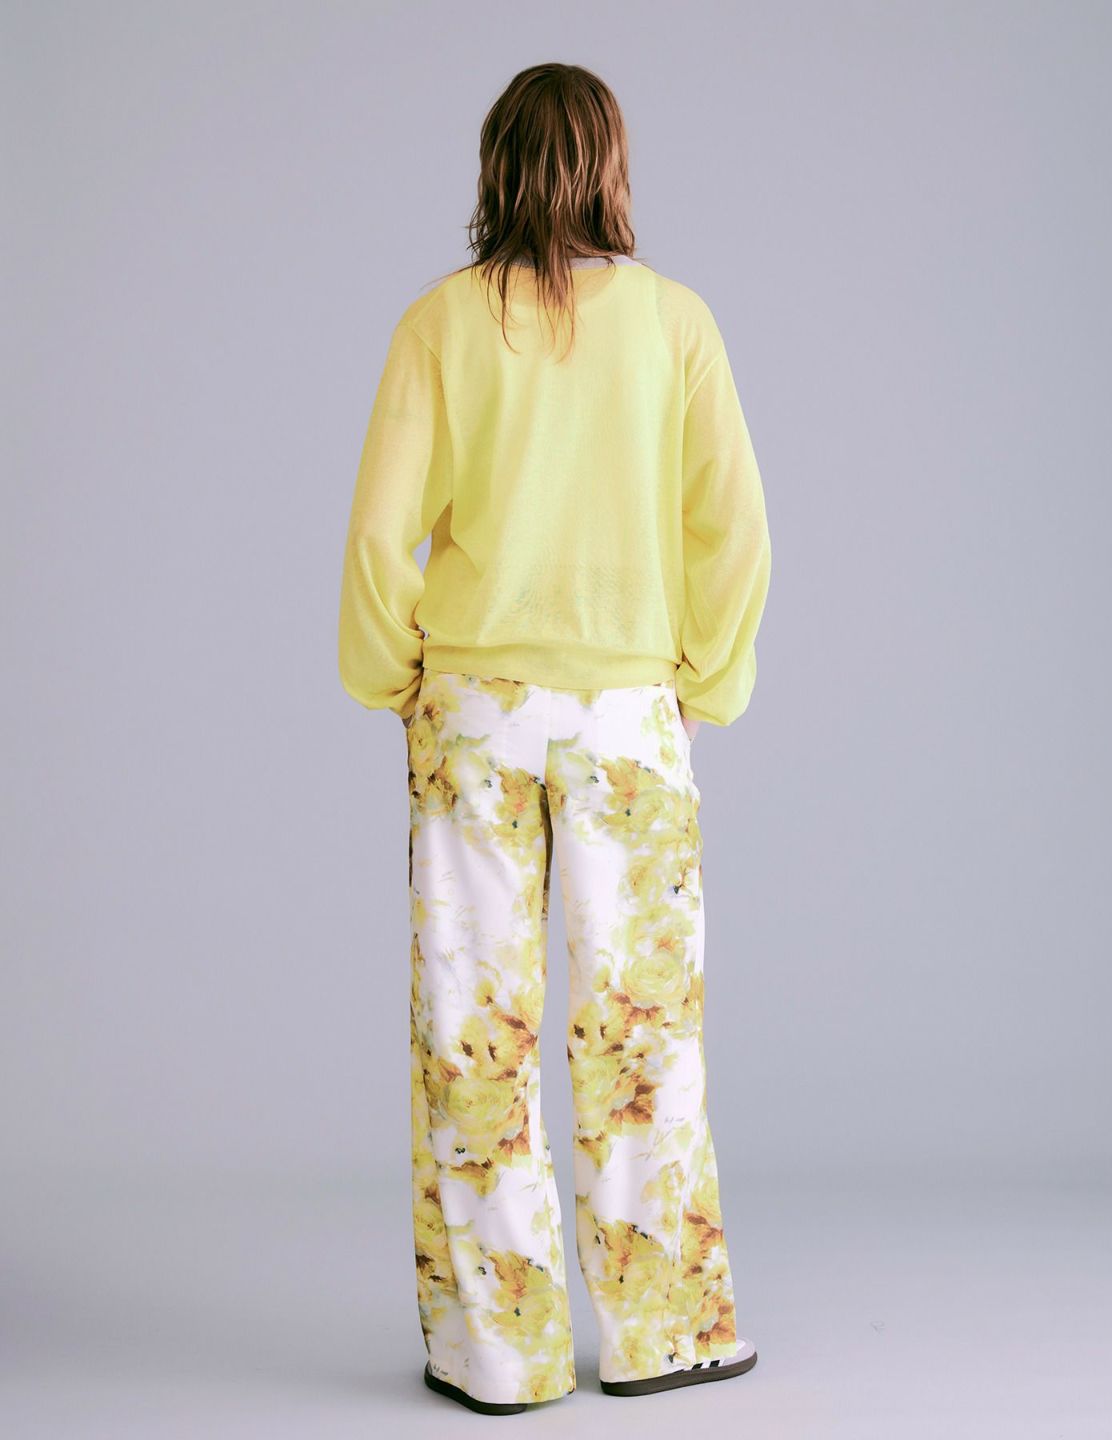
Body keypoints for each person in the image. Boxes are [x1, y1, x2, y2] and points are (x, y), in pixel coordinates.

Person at [337, 61, 771, 1416]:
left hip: (474, 710)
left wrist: (395, 680)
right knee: (641, 1030)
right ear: (611, 166)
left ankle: (498, 1356)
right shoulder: (677, 322)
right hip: (629, 717)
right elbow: (734, 529)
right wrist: (703, 679)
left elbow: (379, 539)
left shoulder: (437, 324)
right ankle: (666, 1332)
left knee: (475, 1028)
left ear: (496, 166)